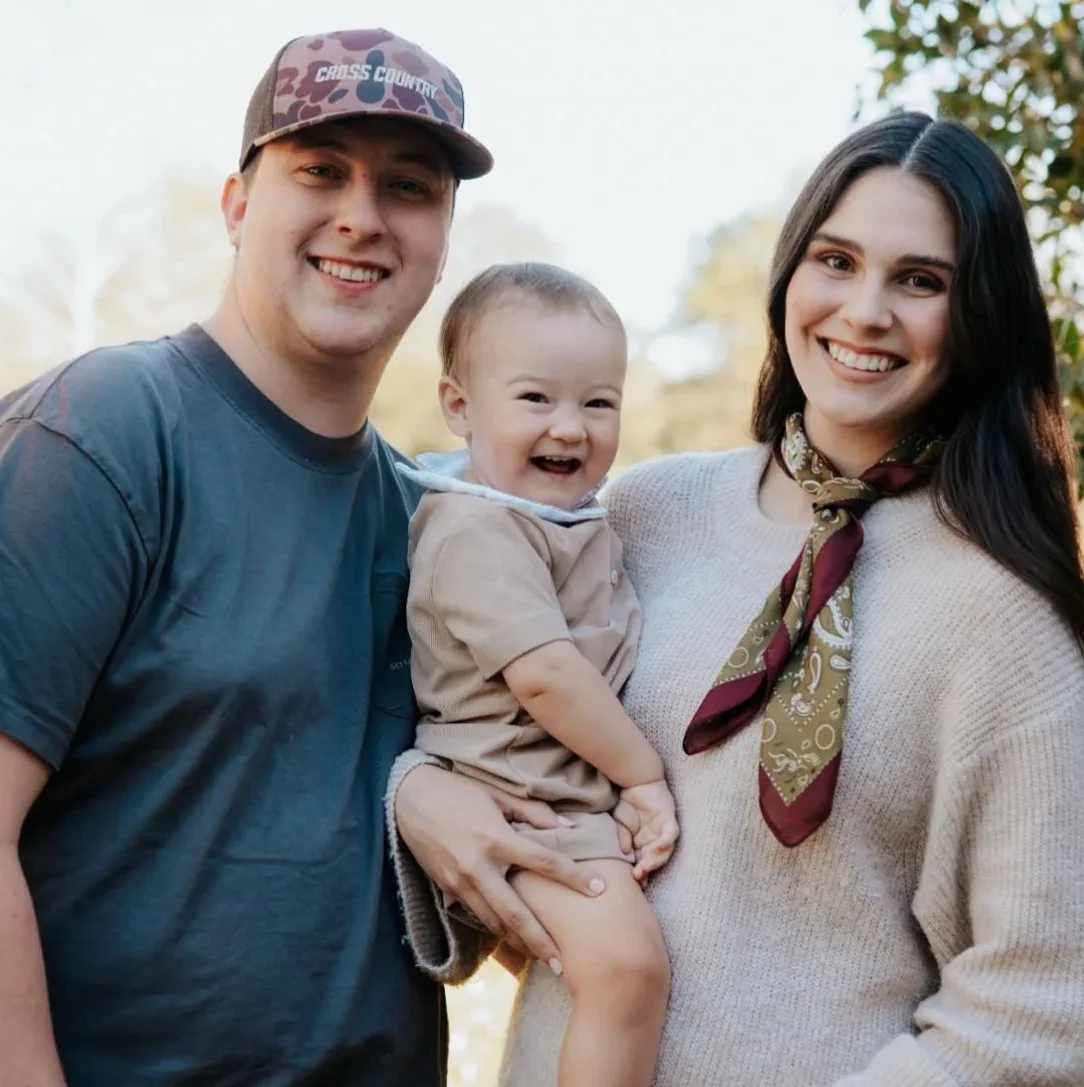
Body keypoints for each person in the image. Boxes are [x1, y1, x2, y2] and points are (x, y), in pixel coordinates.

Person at [390, 112, 1084, 1084]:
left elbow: (1040, 1008)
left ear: (979, 315)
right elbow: (499, 736)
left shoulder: (1005, 619)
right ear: (789, 275)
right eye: (834, 260)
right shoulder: (634, 514)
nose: (865, 310)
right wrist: (418, 792)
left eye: (919, 281)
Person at [0, 27, 604, 1087]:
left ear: (441, 238)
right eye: (320, 170)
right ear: (238, 205)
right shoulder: (102, 437)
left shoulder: (440, 520)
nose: (361, 218)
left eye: (408, 187)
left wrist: (415, 787)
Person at [397, 261, 677, 1087]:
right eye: (535, 399)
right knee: (628, 969)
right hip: (520, 798)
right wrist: (643, 775)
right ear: (459, 406)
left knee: (592, 975)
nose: (570, 426)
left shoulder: (564, 519)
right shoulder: (476, 532)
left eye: (598, 402)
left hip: (553, 790)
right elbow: (547, 676)